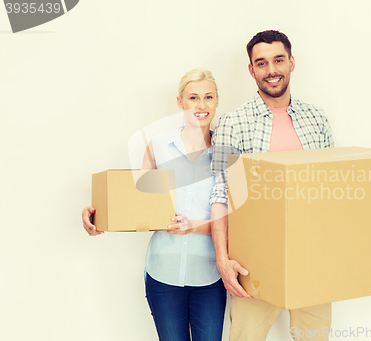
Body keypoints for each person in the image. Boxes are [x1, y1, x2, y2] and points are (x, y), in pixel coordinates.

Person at [82, 69, 226, 341]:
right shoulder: (158, 147)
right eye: (193, 97)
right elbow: (136, 203)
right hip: (163, 273)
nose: (201, 105)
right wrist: (96, 215)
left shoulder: (227, 152)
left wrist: (194, 226)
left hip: (210, 275)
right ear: (180, 102)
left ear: (217, 101)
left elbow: (238, 220)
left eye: (208, 97)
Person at [209, 30, 334, 340]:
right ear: (252, 70)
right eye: (261, 63)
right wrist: (222, 259)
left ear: (291, 62)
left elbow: (331, 190)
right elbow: (221, 193)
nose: (271, 71)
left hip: (312, 255)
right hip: (254, 261)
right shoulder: (232, 122)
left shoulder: (317, 119)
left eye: (278, 60)